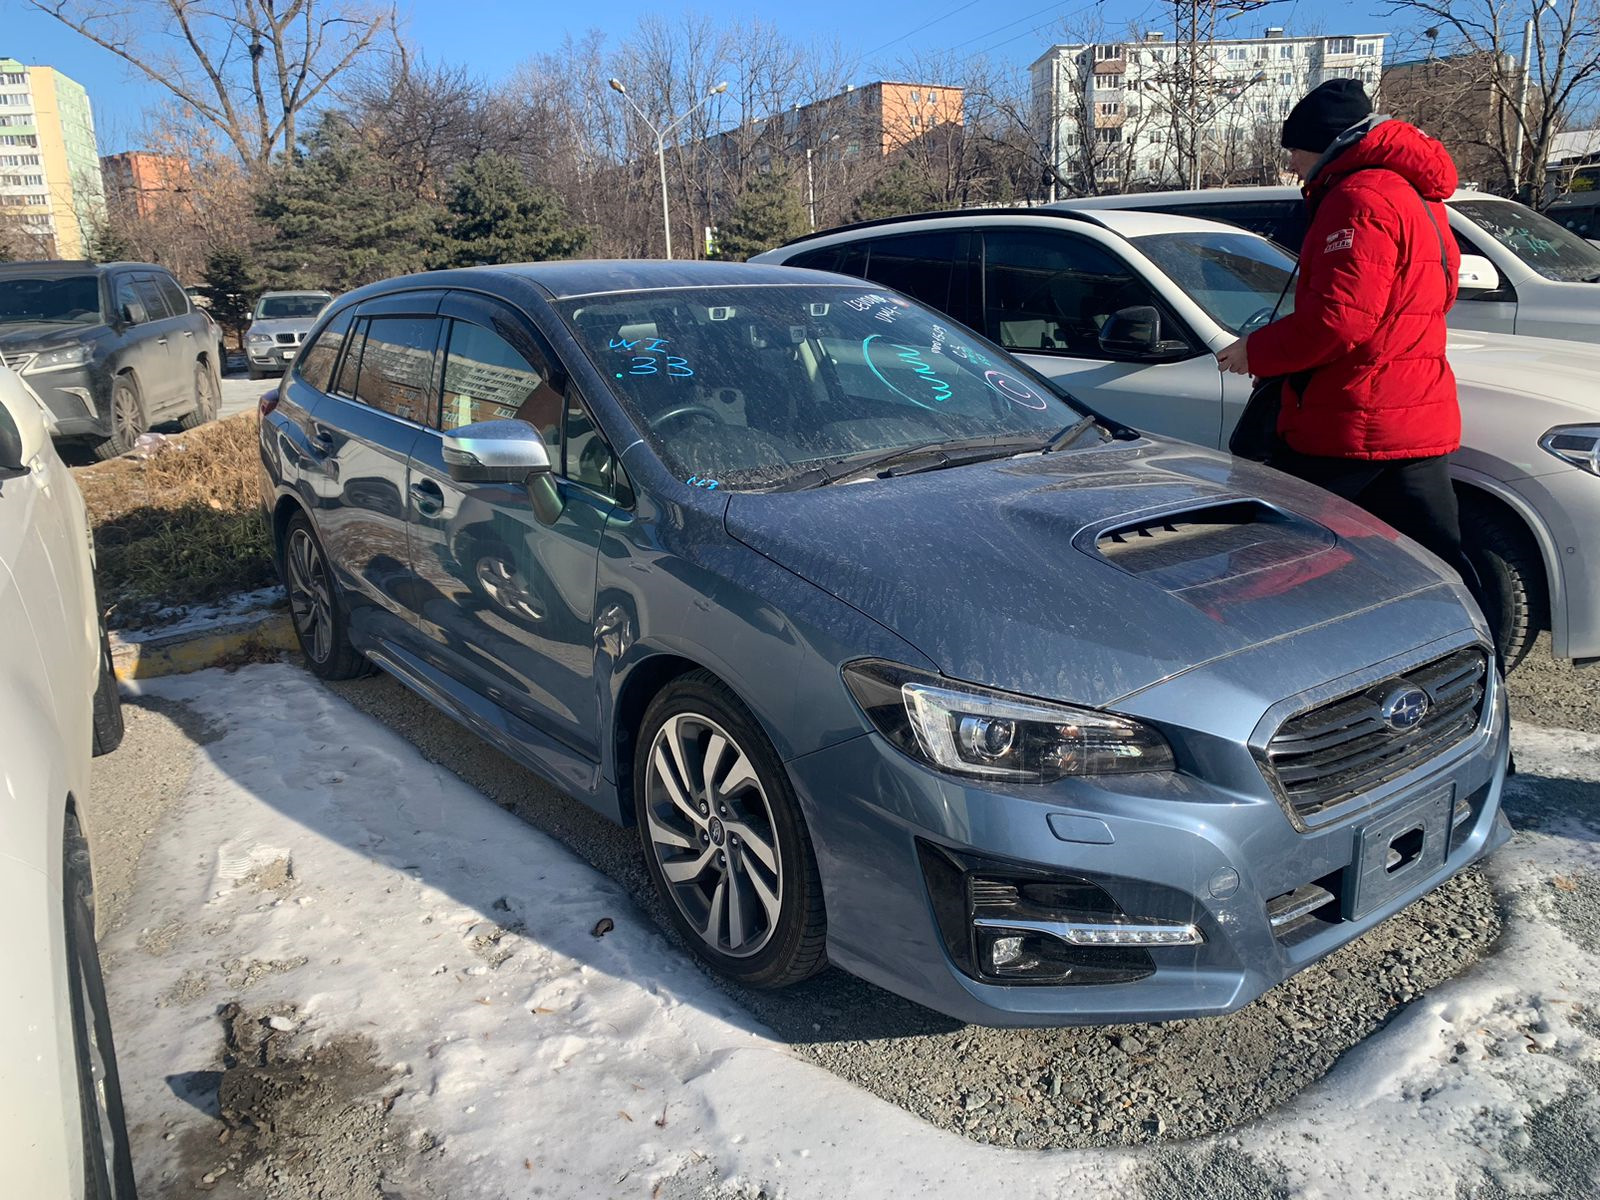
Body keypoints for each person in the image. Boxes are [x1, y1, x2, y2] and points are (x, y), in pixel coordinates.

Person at [1215, 79, 1469, 580]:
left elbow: (1339, 321)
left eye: (1295, 152)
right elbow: (1434, 297)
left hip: (1350, 420)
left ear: (1327, 146)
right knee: (1435, 570)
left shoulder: (1357, 199)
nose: (1291, 166)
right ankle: (1475, 651)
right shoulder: (1418, 199)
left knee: (1272, 564)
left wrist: (1256, 352)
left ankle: (1259, 652)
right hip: (1415, 413)